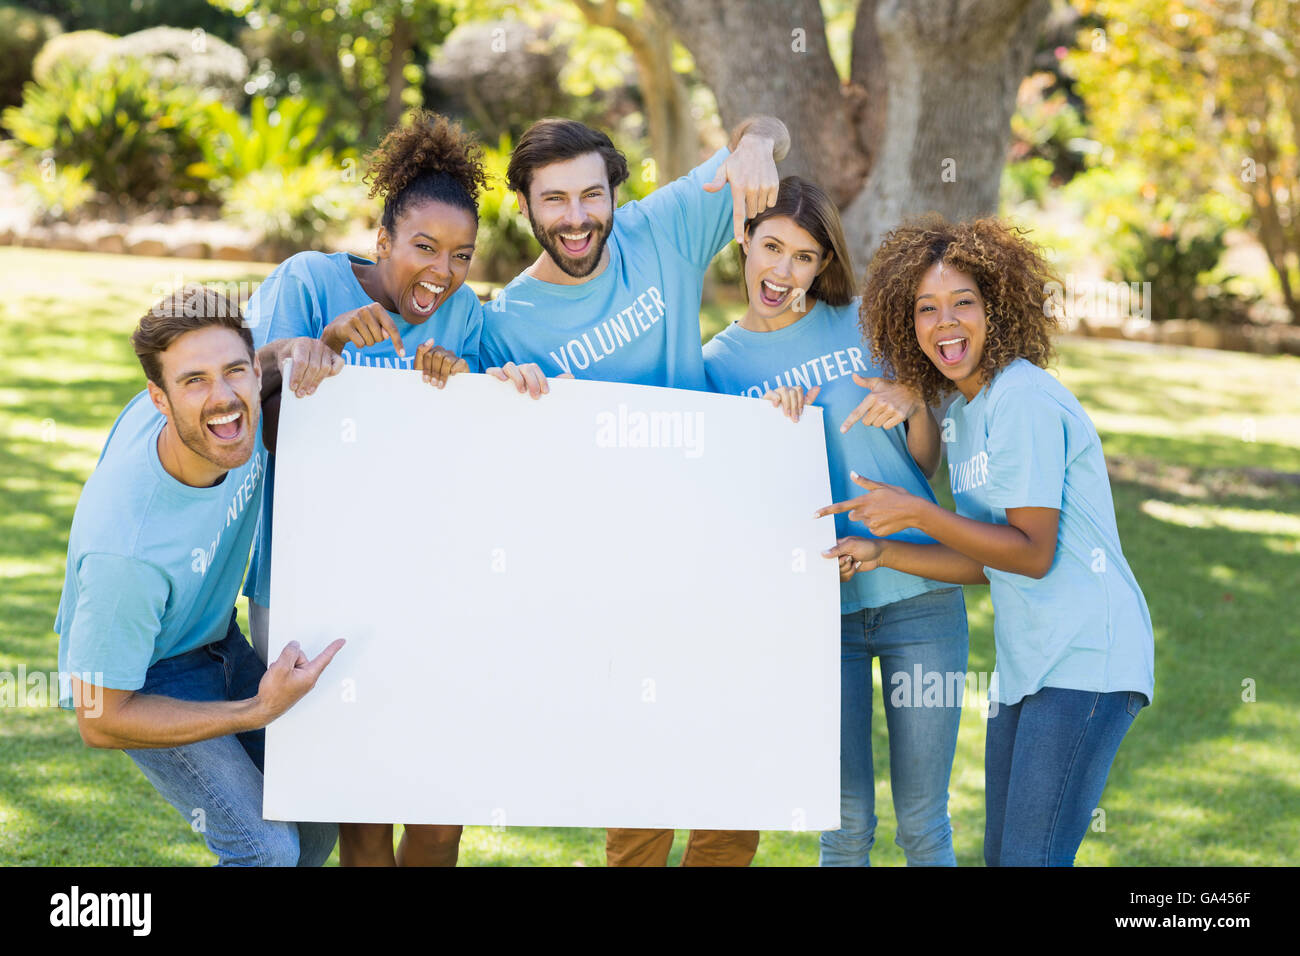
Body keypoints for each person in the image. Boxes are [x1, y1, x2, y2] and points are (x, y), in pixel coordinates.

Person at [481, 115, 789, 866]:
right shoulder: (505, 325)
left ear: (615, 192)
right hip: (614, 581)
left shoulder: (663, 231)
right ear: (524, 205)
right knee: (643, 799)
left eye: (592, 194)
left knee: (731, 794)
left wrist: (755, 144)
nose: (577, 217)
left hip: (718, 547)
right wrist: (496, 389)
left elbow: (771, 131)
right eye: (555, 200)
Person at [821, 216, 1155, 866]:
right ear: (906, 325)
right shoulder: (966, 417)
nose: (946, 323)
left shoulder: (1023, 398)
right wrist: (884, 551)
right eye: (927, 308)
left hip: (1087, 659)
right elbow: (989, 559)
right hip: (1029, 667)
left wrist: (917, 513)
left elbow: (1031, 551)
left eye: (962, 303)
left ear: (996, 308)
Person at [242, 110, 503, 867]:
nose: (442, 271)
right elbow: (240, 404)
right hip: (308, 579)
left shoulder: (464, 316)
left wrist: (481, 383)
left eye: (461, 255)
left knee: (439, 806)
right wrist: (312, 349)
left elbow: (486, 436)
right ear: (382, 239)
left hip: (429, 579)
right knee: (359, 806)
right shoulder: (307, 281)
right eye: (424, 247)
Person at [703, 177, 969, 866]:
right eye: (771, 247)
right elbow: (729, 505)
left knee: (923, 824)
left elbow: (927, 463)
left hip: (922, 596)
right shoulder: (717, 366)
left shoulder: (862, 323)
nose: (781, 270)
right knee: (845, 825)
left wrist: (913, 402)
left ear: (823, 265)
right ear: (745, 242)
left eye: (803, 256)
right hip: (820, 614)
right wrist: (765, 436)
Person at [56, 285, 346, 866]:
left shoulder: (240, 408)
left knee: (314, 815)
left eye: (233, 370)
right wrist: (255, 711)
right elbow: (99, 718)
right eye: (194, 381)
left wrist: (311, 347)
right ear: (158, 400)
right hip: (144, 675)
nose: (224, 398)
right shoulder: (127, 554)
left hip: (214, 637)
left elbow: (269, 361)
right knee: (263, 850)